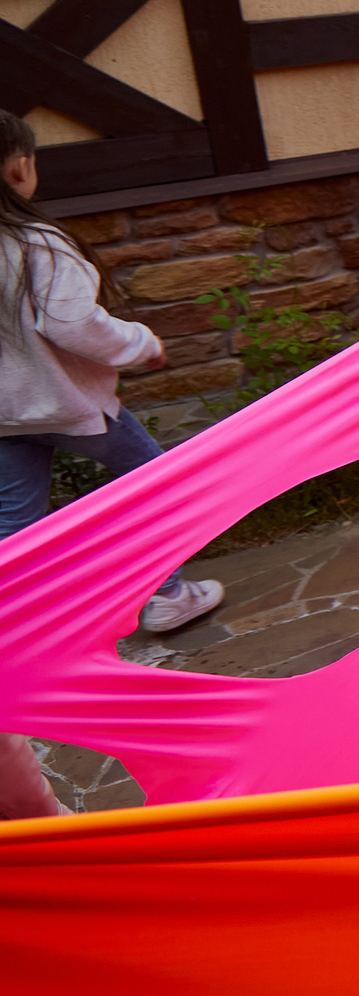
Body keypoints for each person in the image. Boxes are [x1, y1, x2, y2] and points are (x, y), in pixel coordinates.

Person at [0, 111, 221, 634]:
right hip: (75, 409)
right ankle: (167, 595)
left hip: (4, 420)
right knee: (153, 488)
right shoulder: (37, 244)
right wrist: (142, 344)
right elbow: (74, 324)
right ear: (20, 167)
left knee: (14, 522)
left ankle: (22, 624)